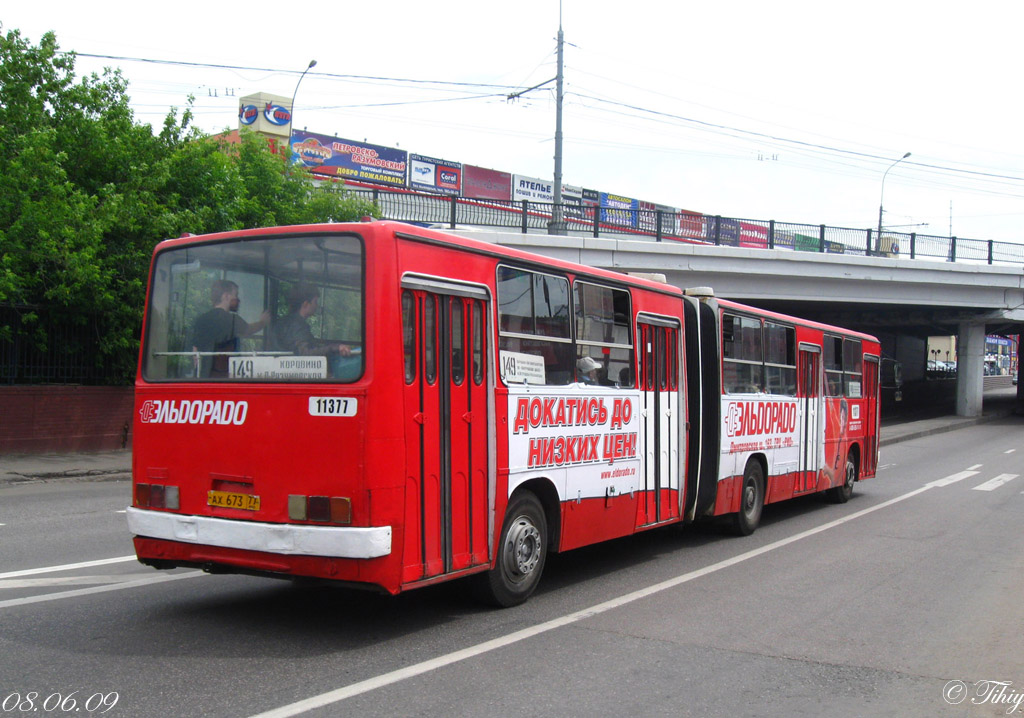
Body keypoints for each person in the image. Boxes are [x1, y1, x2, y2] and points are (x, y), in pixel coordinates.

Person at [191, 279, 270, 378]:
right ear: (226, 296)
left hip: (203, 377)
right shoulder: (231, 320)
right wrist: (263, 322)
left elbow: (195, 350)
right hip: (223, 376)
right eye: (236, 295)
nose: (238, 300)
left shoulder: (200, 320)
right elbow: (248, 330)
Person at [272, 282, 352, 358]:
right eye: (315, 302)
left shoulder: (282, 322)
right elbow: (306, 353)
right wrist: (333, 348)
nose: (316, 306)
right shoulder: (298, 325)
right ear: (305, 304)